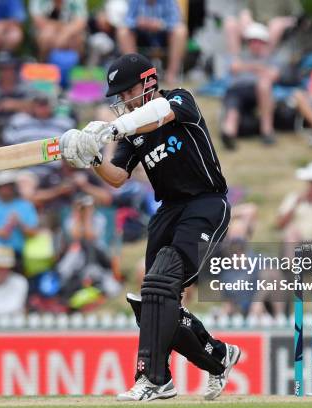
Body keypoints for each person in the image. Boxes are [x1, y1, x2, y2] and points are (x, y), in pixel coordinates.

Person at [59, 53, 240, 401]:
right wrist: (92, 159)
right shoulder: (132, 134)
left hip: (205, 203)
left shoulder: (179, 100)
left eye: (127, 92)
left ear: (148, 82)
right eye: (119, 95)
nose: (123, 101)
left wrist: (110, 129)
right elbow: (116, 179)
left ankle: (153, 378)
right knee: (155, 302)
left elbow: (159, 114)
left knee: (160, 283)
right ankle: (218, 356)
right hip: (169, 210)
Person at [221, 23, 282, 148]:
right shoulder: (241, 55)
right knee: (233, 108)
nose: (255, 44)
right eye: (252, 41)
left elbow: (274, 75)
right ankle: (228, 134)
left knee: (264, 84)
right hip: (238, 90)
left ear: (265, 43)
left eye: (258, 41)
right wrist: (258, 68)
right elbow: (234, 67)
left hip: (258, 91)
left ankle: (267, 131)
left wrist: (247, 68)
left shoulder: (272, 58)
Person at [117, 0, 187, 86]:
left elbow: (176, 20)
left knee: (180, 31)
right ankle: (134, 73)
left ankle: (171, 75)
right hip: (141, 37)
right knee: (123, 31)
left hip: (163, 37)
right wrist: (138, 23)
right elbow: (127, 20)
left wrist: (161, 24)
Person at [224, 0, 303, 55]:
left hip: (274, 28)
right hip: (256, 27)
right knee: (231, 21)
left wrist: (282, 22)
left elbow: (297, 16)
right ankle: (236, 61)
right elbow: (247, 11)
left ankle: (264, 59)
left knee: (275, 24)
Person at [2, 92, 76, 146]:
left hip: (54, 166)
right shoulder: (18, 121)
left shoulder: (65, 123)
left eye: (45, 104)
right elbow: (6, 144)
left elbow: (72, 148)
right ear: (32, 105)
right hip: (22, 164)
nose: (43, 108)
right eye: (39, 104)